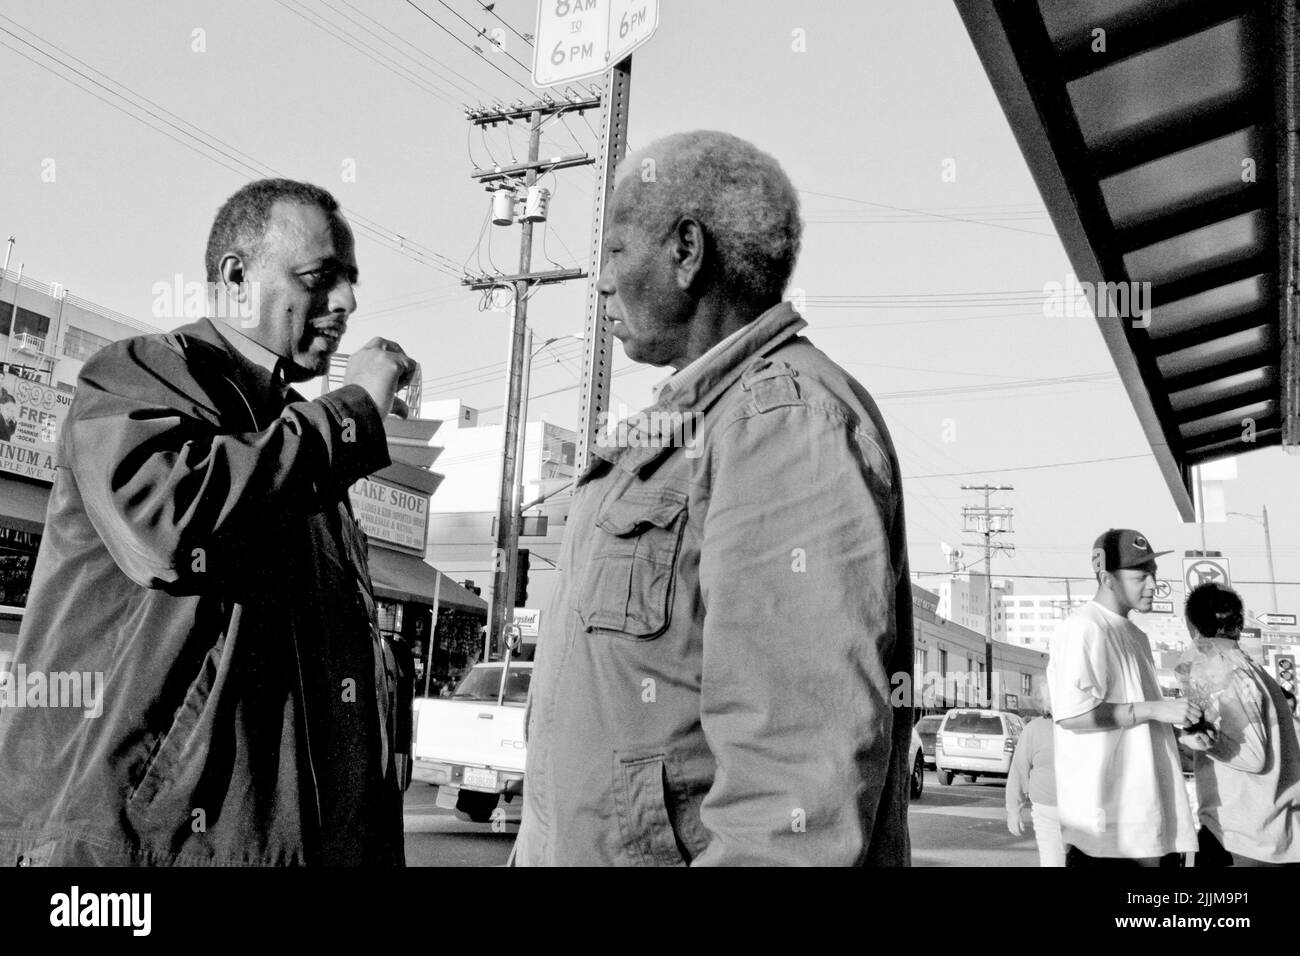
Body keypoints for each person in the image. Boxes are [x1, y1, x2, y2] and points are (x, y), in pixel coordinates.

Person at [516, 131, 913, 866]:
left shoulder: (781, 421)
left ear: (686, 251)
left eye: (614, 252)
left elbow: (794, 792)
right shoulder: (696, 424)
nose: (598, 281)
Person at [0, 178, 417, 866]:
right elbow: (164, 525)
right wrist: (352, 415)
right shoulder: (143, 374)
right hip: (132, 851)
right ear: (236, 276)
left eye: (350, 282)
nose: (345, 303)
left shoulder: (299, 448)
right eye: (319, 277)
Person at [1046, 528, 1199, 867]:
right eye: (1141, 576)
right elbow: (1071, 715)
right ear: (1107, 578)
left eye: (1154, 575)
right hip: (1109, 835)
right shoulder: (1084, 627)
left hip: (1151, 824)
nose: (1153, 584)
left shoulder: (1136, 635)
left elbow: (1142, 723)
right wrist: (1156, 709)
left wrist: (1179, 737)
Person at [1178, 582, 1300, 866]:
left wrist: (1197, 741)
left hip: (1242, 838)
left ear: (1192, 626)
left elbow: (1253, 755)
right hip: (1269, 833)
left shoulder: (1217, 667)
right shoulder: (1252, 670)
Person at [1005, 678, 1063, 866]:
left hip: (1085, 811)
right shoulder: (1034, 729)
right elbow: (1019, 769)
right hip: (1048, 811)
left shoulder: (1087, 726)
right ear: (1045, 703)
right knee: (1052, 862)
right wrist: (1013, 810)